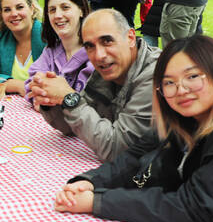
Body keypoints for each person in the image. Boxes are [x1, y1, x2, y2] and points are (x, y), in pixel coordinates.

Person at [53, 35, 213, 222]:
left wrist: (98, 202)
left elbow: (197, 205)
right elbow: (136, 155)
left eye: (192, 76)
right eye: (169, 82)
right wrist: (90, 182)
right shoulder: (187, 114)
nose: (181, 90)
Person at [30, 9, 159, 162]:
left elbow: (118, 151)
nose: (99, 55)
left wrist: (70, 99)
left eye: (107, 41)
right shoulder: (108, 70)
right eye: (90, 46)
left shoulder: (156, 75)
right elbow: (71, 127)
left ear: (130, 38)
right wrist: (49, 99)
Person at [24, 0, 94, 108]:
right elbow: (32, 83)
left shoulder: (96, 53)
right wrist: (39, 96)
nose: (58, 15)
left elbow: (93, 103)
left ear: (82, 11)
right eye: (52, 10)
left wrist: (56, 99)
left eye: (65, 7)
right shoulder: (50, 51)